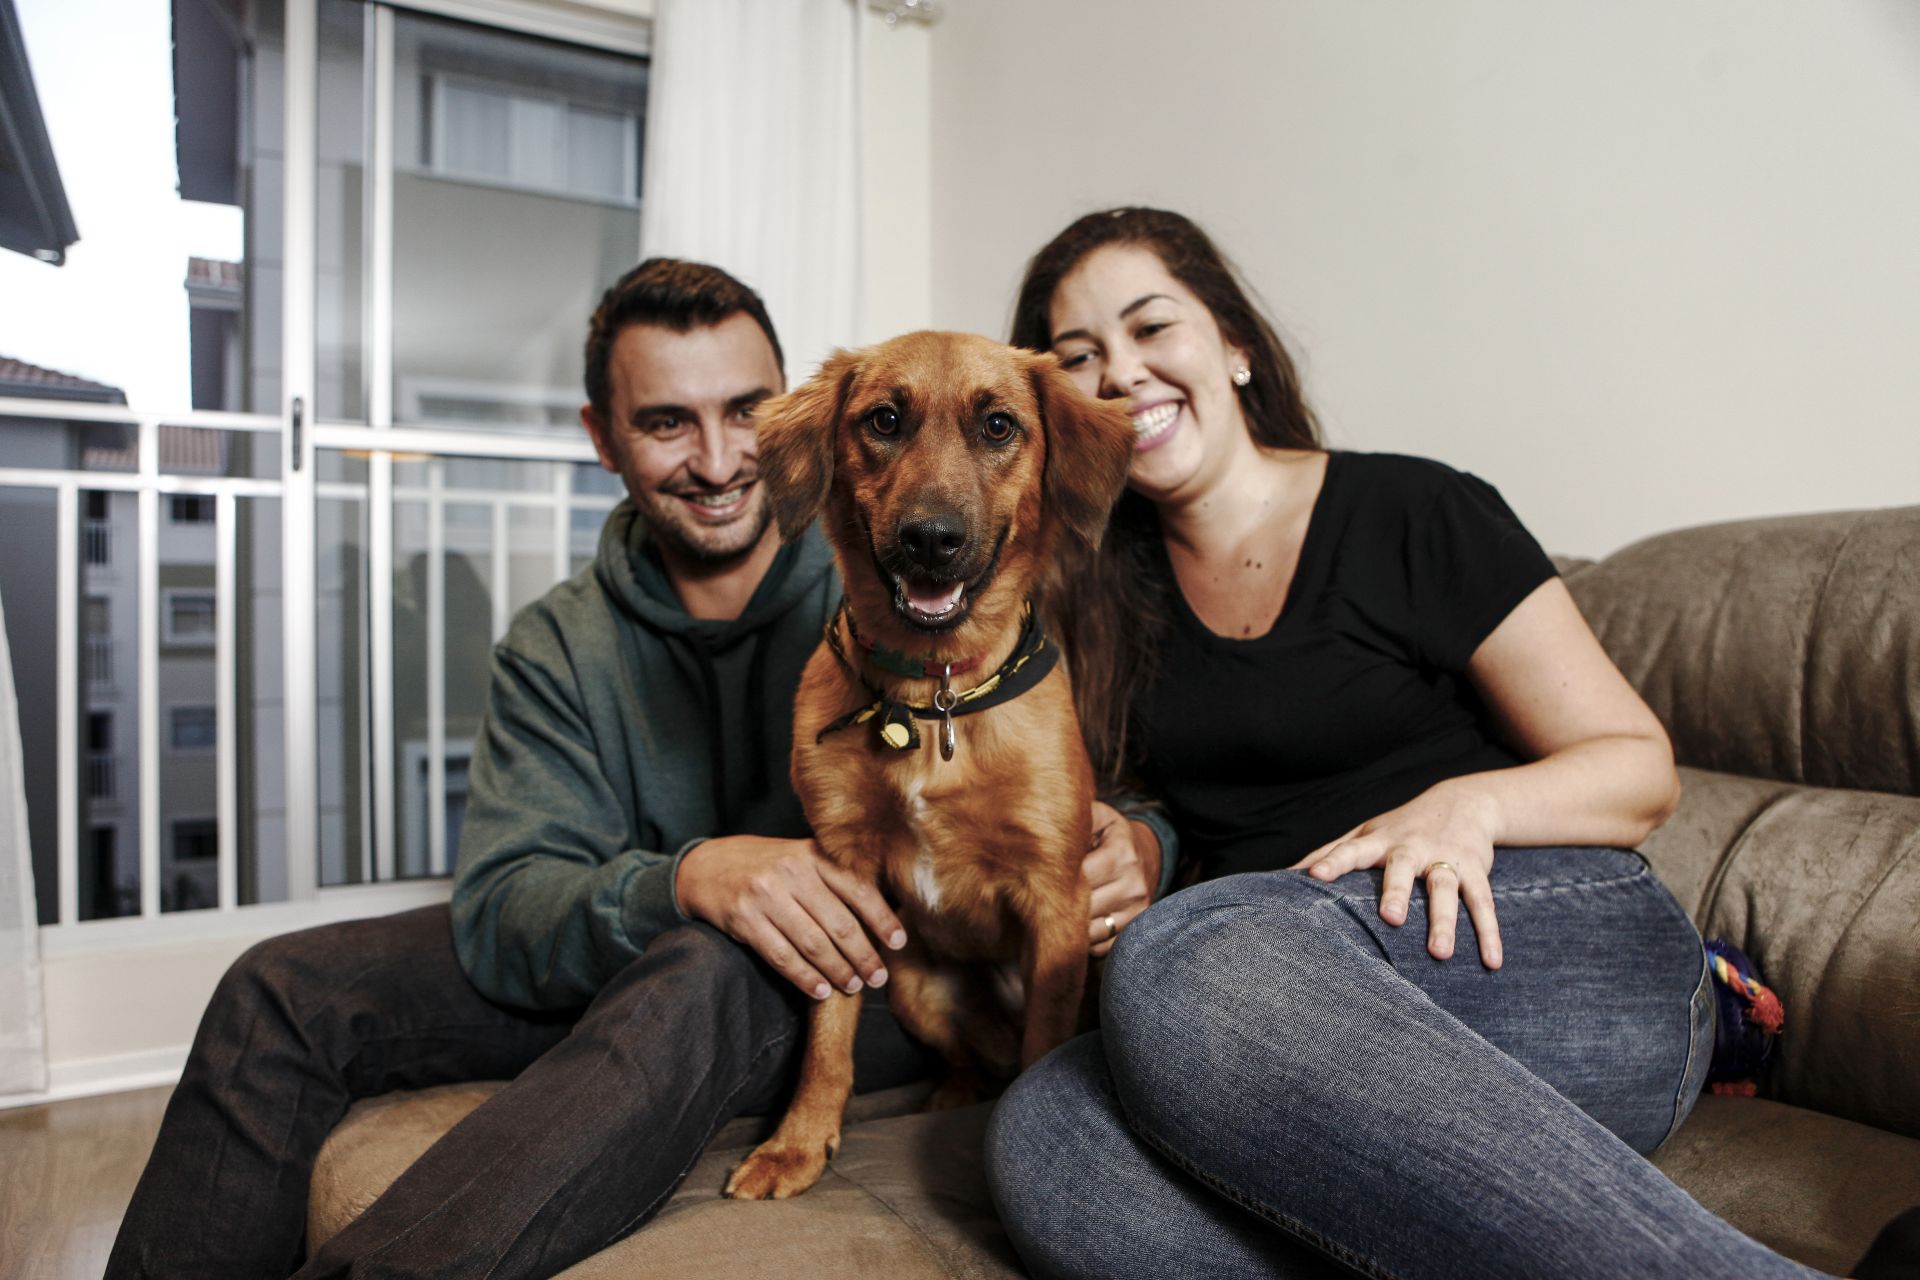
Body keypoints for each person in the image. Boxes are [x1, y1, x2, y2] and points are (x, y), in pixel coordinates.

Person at [106, 257, 1173, 1280]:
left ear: (790, 425)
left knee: (698, 969)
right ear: (603, 438)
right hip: (642, 930)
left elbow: (1060, 775)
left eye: (742, 410)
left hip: (837, 967)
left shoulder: (903, 572)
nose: (718, 458)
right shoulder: (557, 643)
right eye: (667, 421)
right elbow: (505, 900)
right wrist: (689, 875)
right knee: (277, 987)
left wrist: (1142, 839)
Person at [982, 208, 1843, 1279]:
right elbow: (1169, 816)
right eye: (1080, 360)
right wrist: (1138, 851)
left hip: (1542, 952)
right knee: (1049, 1132)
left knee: (1188, 959)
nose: (1122, 373)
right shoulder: (1095, 600)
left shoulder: (1413, 508)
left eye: (1153, 327)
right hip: (1298, 1024)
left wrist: (1466, 804)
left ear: (1236, 345)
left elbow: (1638, 766)